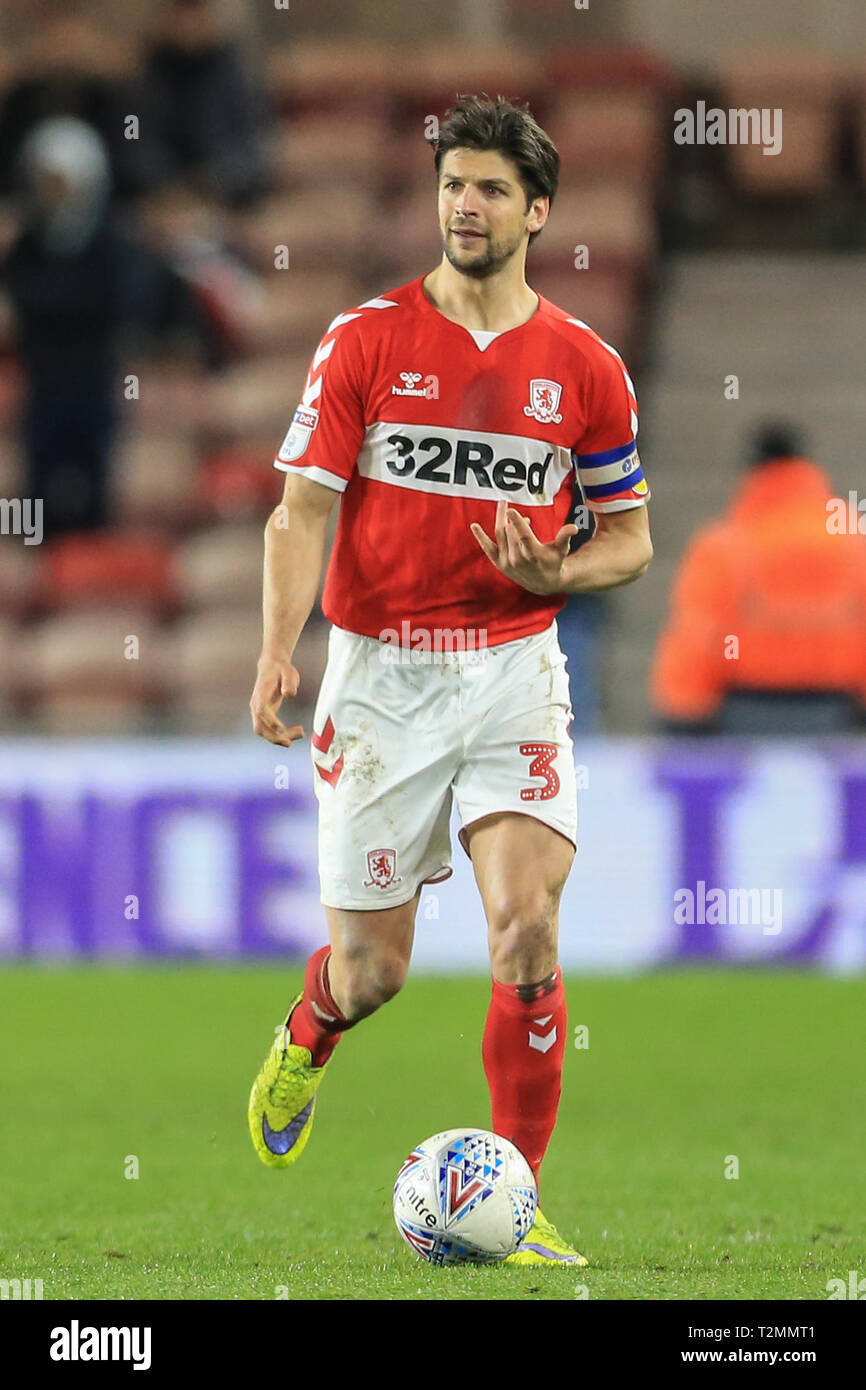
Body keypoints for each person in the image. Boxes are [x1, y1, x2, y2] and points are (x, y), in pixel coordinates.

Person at [247, 96, 653, 1266]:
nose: (462, 206)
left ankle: (514, 1205)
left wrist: (561, 565)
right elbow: (300, 508)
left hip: (512, 670)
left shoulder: (583, 367)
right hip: (377, 681)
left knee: (526, 932)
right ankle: (305, 1033)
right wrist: (280, 647)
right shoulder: (365, 339)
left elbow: (628, 538)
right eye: (449, 186)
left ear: (537, 211)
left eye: (487, 189)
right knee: (372, 972)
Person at [650, 425, 866, 733]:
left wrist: (684, 711)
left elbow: (700, 632)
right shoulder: (852, 538)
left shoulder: (725, 543)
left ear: (751, 471)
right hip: (838, 714)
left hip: (744, 715)